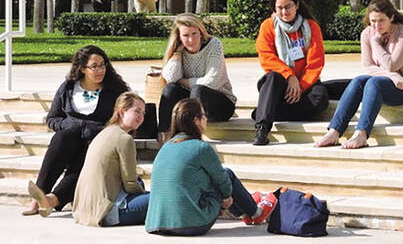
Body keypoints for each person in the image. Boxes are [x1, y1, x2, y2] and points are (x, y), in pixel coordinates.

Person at [23, 46, 129, 217]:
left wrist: (92, 129)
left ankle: (51, 200)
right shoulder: (68, 88)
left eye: (103, 65)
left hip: (98, 140)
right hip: (70, 139)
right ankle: (39, 196)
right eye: (94, 66)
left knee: (86, 159)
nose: (100, 70)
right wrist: (76, 126)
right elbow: (52, 119)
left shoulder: (116, 90)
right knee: (61, 138)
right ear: (82, 69)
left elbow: (123, 121)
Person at [145, 99, 276, 236]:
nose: (206, 118)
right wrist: (226, 198)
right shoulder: (201, 148)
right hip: (191, 224)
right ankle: (256, 212)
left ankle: (245, 212)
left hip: (157, 224)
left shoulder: (166, 146)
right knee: (227, 174)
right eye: (203, 115)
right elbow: (223, 181)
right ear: (196, 120)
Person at [314, 0, 403, 149]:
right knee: (359, 80)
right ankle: (334, 131)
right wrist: (392, 76)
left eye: (381, 20)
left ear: (391, 17)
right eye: (373, 21)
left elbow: (392, 64)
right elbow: (368, 66)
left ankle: (361, 134)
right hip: (388, 83)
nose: (376, 25)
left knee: (374, 82)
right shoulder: (367, 33)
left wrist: (376, 43)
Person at [252, 0, 329, 146]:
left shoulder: (311, 26)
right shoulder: (268, 26)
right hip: (278, 83)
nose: (284, 12)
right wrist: (289, 76)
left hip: (305, 84)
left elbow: (316, 61)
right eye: (279, 8)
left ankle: (265, 111)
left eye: (288, 7)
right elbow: (267, 57)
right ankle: (262, 128)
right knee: (273, 77)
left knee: (320, 99)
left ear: (297, 5)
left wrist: (300, 86)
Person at [73, 92, 150, 226]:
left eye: (143, 113)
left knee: (140, 183)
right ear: (121, 112)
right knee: (162, 198)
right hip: (105, 212)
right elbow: (130, 184)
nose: (141, 117)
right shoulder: (125, 139)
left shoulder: (104, 132)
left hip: (83, 210)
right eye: (137, 111)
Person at [158, 13, 236, 138]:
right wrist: (178, 53)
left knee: (198, 90)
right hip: (192, 102)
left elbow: (212, 81)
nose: (191, 40)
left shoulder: (214, 45)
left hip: (220, 103)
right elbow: (171, 78)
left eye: (194, 33)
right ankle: (165, 135)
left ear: (201, 32)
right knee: (170, 89)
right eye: (185, 35)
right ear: (179, 37)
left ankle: (192, 137)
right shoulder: (180, 50)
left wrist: (184, 82)